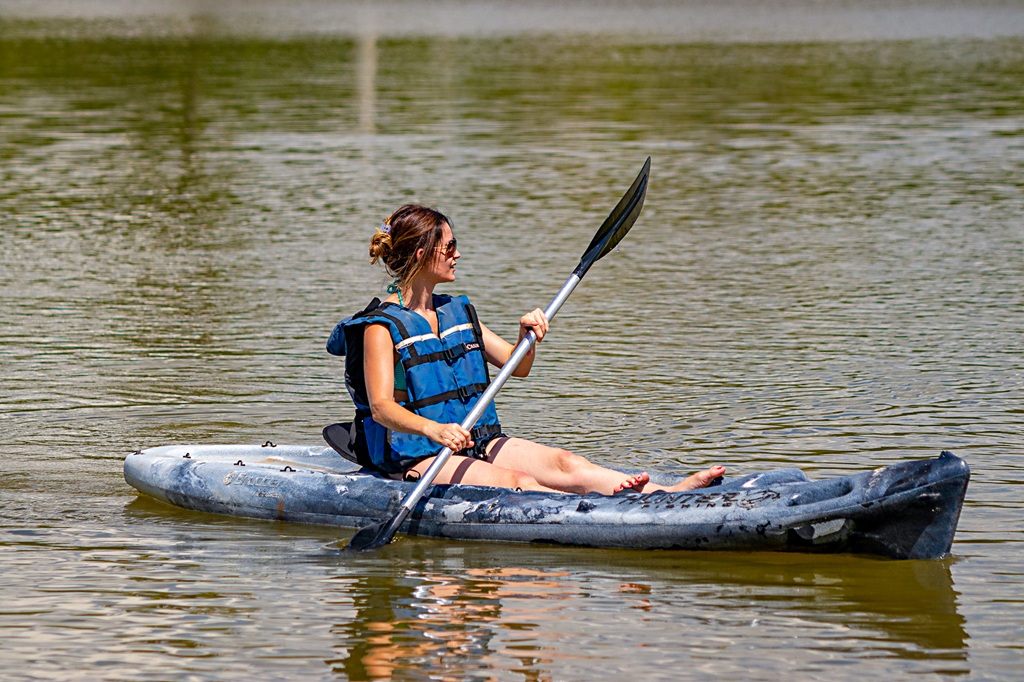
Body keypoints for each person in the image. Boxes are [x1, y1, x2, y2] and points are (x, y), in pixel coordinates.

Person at [332, 204, 725, 494]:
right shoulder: (381, 327)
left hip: (476, 440)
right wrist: (435, 430)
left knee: (566, 463)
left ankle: (668, 494)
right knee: (519, 483)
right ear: (422, 254)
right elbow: (382, 408)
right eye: (449, 246)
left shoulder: (456, 311)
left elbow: (518, 367)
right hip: (419, 456)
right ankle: (612, 516)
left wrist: (526, 337)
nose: (457, 254)